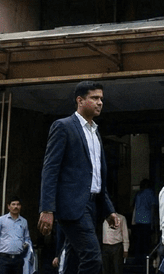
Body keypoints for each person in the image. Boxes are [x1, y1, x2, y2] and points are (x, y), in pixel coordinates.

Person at [38, 80, 122, 274]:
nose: (100, 102)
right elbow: (50, 169)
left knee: (75, 260)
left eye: (101, 98)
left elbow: (97, 176)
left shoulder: (95, 132)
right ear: (80, 100)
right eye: (94, 98)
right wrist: (47, 208)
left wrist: (108, 209)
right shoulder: (63, 127)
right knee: (93, 258)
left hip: (93, 206)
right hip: (72, 206)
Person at [0, 199, 33, 274]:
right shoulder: (1, 220)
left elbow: (27, 238)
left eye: (18, 204)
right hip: (3, 259)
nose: (16, 207)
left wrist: (25, 246)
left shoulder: (24, 222)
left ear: (20, 206)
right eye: (13, 204)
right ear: (8, 206)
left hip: (18, 259)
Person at [131, 179, 157, 261]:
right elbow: (153, 207)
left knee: (138, 241)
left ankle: (137, 258)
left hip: (138, 220)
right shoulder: (150, 193)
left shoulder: (138, 194)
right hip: (147, 220)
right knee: (146, 241)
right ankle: (146, 259)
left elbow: (133, 206)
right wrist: (153, 222)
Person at [100, 209, 128, 274]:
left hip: (117, 246)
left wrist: (125, 249)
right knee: (105, 269)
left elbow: (125, 233)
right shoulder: (102, 218)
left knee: (117, 269)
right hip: (105, 246)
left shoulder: (121, 218)